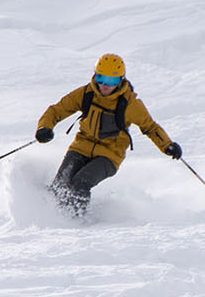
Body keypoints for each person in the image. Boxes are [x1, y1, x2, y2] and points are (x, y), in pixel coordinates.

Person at [35, 53, 181, 214]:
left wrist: (168, 146)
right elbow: (57, 110)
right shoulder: (86, 94)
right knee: (61, 183)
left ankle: (75, 219)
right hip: (81, 147)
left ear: (120, 81)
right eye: (100, 78)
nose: (104, 85)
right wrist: (44, 128)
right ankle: (49, 214)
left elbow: (150, 127)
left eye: (111, 81)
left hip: (109, 155)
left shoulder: (130, 104)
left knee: (80, 182)